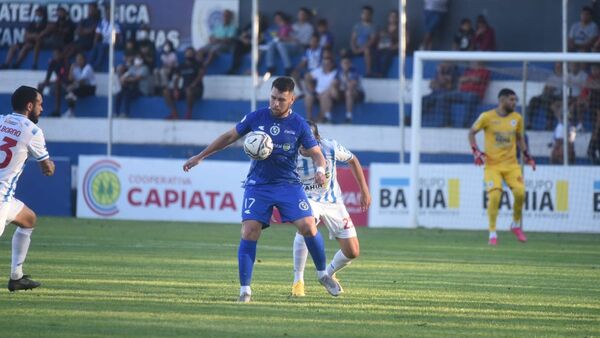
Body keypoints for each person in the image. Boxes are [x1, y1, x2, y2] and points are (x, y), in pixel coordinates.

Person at [182, 77, 342, 303]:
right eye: (273, 98)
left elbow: (316, 152)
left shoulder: (299, 124)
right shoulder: (257, 117)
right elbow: (229, 137)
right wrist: (200, 156)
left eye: (281, 100)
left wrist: (320, 168)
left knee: (308, 225)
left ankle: (322, 274)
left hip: (288, 184)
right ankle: (245, 290)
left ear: (292, 100)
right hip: (259, 185)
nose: (275, 104)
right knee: (249, 231)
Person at [290, 121, 371, 297]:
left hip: (334, 202)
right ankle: (298, 281)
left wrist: (364, 190)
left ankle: (329, 274)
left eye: (309, 140)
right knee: (307, 224)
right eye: (301, 140)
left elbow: (353, 160)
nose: (305, 145)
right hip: (307, 200)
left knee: (352, 251)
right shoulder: (290, 154)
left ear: (317, 139)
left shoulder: (330, 147)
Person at [1, 86, 55, 291]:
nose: (42, 108)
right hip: (0, 198)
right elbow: (47, 168)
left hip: (6, 196)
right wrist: (50, 167)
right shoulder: (32, 131)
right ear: (29, 105)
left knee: (28, 219)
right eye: (40, 104)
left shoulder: (1, 120)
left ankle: (16, 277)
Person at [468, 88, 536, 246]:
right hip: (492, 166)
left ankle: (515, 225)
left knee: (520, 193)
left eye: (515, 100)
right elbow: (471, 133)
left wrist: (528, 157)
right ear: (502, 100)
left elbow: (520, 138)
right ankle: (492, 233)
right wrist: (476, 151)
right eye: (511, 100)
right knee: (495, 196)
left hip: (512, 165)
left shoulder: (517, 118)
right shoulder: (486, 117)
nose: (514, 103)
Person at [442, 61, 490, 127]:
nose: (471, 63)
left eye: (473, 62)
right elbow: (460, 80)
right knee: (445, 97)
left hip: (476, 95)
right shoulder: (468, 71)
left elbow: (477, 79)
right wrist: (470, 79)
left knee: (470, 97)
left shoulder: (484, 71)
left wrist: (466, 79)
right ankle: (447, 122)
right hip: (462, 94)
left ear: (478, 62)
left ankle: (466, 124)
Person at [163, 47, 204, 120]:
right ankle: (174, 113)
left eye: (191, 53)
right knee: (166, 92)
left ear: (194, 54)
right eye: (187, 53)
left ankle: (189, 113)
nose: (189, 55)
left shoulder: (198, 64)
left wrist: (193, 85)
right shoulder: (181, 66)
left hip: (196, 90)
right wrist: (175, 89)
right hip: (184, 89)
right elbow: (176, 78)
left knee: (188, 90)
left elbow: (200, 76)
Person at [304, 57, 338, 122]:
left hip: (328, 92)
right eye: (324, 64)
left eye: (328, 64)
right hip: (317, 93)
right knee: (308, 96)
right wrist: (311, 89)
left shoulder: (335, 73)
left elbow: (334, 84)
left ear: (332, 64)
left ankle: (325, 117)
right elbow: (307, 76)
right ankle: (309, 118)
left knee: (325, 96)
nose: (326, 65)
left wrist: (323, 93)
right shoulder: (319, 71)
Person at [37, 48, 69, 117]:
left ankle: (57, 110)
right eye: (54, 54)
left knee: (57, 84)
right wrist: (45, 83)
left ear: (61, 55)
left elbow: (64, 75)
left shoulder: (65, 62)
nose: (55, 56)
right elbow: (48, 77)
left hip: (66, 83)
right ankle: (38, 110)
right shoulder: (53, 63)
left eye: (57, 54)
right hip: (58, 81)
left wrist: (56, 81)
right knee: (40, 85)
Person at [64, 53, 97, 118]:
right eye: (77, 59)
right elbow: (70, 79)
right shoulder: (76, 68)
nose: (78, 61)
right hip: (81, 87)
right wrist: (71, 68)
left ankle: (71, 111)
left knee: (72, 91)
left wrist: (72, 86)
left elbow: (82, 81)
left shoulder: (88, 67)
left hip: (91, 88)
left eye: (80, 59)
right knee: (70, 92)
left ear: (84, 60)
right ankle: (71, 111)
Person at [89, 5, 121, 71]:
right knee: (96, 47)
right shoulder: (102, 23)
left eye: (109, 14)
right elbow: (97, 34)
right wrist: (95, 43)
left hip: (112, 43)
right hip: (103, 42)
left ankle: (96, 66)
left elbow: (117, 37)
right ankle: (89, 65)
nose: (108, 15)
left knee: (101, 47)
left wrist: (113, 43)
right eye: (107, 13)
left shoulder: (115, 23)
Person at [335, 56, 365, 123]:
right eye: (344, 63)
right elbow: (335, 83)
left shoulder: (354, 71)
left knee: (348, 92)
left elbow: (351, 85)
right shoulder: (338, 72)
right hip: (343, 92)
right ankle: (327, 116)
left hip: (357, 93)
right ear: (341, 64)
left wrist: (345, 74)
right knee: (328, 93)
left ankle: (349, 116)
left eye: (347, 63)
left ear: (350, 64)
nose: (345, 64)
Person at [350, 6, 377, 77]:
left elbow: (372, 40)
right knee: (343, 52)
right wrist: (354, 48)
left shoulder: (373, 27)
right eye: (364, 13)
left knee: (367, 51)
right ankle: (345, 73)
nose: (365, 15)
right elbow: (353, 39)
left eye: (367, 14)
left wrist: (361, 49)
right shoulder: (357, 26)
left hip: (367, 49)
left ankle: (368, 72)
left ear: (371, 15)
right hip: (357, 48)